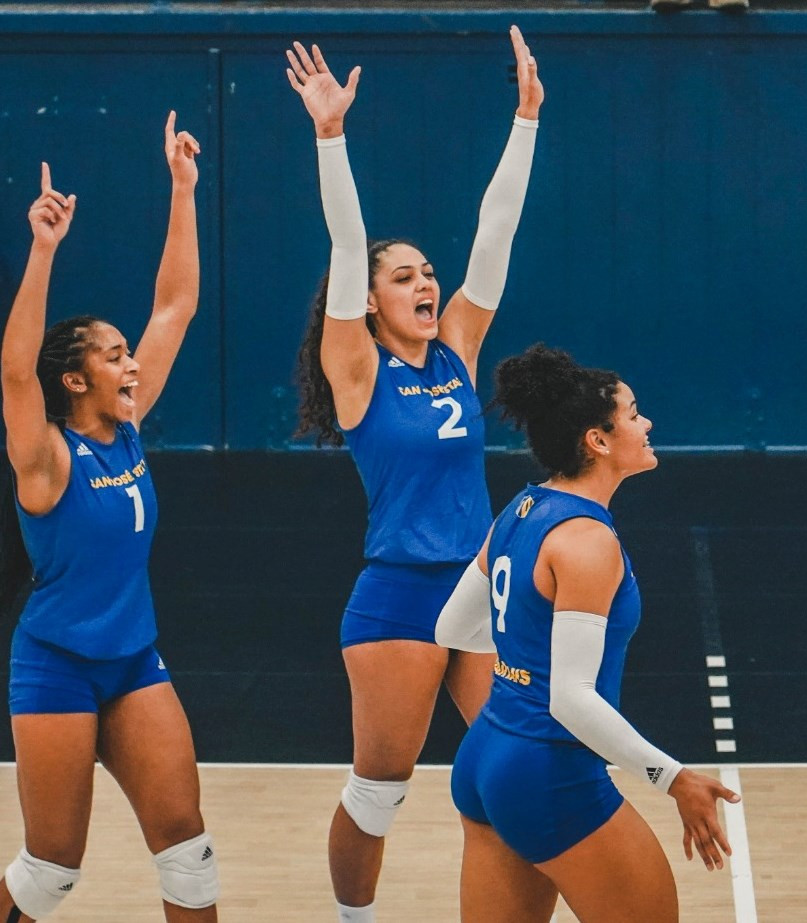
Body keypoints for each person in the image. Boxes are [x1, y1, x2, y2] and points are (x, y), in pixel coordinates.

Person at [285, 29, 543, 922]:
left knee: (517, 764)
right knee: (379, 792)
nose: (427, 283)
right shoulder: (355, 366)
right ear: (370, 298)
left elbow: (495, 233)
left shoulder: (457, 352)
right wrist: (330, 136)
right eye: (405, 277)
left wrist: (525, 121)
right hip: (397, 597)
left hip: (476, 590)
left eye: (428, 273)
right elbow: (346, 243)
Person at [0, 117, 218, 922]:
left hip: (132, 661)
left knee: (187, 849)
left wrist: (183, 190)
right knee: (51, 868)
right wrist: (43, 250)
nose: (132, 363)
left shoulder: (127, 425)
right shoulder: (45, 458)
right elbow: (16, 370)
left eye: (128, 352)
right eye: (114, 355)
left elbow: (177, 304)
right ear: (75, 379)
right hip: (56, 667)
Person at [435, 344, 738, 923]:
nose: (646, 424)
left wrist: (517, 685)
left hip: (485, 757)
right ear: (597, 440)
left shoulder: (520, 510)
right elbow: (571, 698)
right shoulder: (587, 542)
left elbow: (453, 627)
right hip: (549, 774)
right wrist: (672, 779)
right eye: (632, 413)